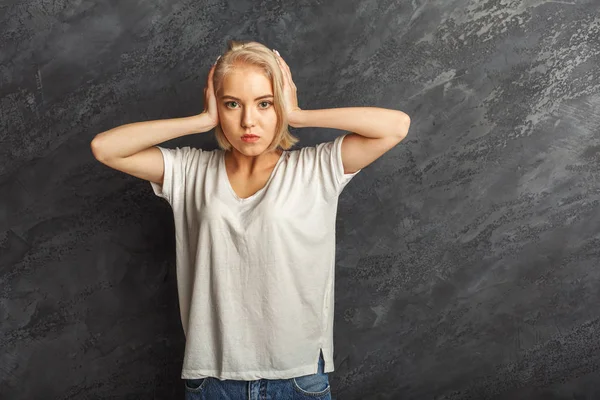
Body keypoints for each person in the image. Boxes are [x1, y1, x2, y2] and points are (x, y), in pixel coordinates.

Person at [90, 40, 410, 399]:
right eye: (232, 104)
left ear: (280, 105)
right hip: (212, 378)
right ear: (217, 105)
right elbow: (105, 148)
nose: (248, 121)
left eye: (264, 103)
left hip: (297, 376)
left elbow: (395, 126)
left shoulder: (315, 168)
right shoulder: (190, 170)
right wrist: (200, 120)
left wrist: (299, 114)